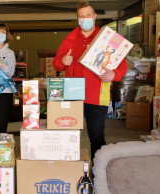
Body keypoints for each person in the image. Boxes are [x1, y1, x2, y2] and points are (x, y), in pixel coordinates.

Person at [53, 1, 127, 161]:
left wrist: (112, 75)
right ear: (77, 19)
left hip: (96, 96)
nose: (85, 19)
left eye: (88, 15)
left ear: (94, 16)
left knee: (97, 138)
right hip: (73, 95)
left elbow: (122, 65)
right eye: (81, 16)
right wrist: (62, 61)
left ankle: (98, 175)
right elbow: (56, 64)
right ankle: (69, 172)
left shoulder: (107, 40)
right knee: (69, 137)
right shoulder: (69, 40)